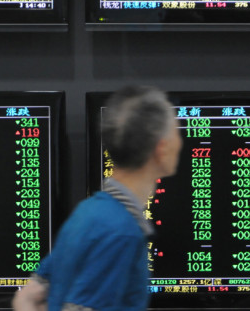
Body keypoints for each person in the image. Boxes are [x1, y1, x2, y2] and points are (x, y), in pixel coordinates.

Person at [13, 86, 182, 311]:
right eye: (176, 132)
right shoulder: (122, 232)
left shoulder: (87, 212)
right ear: (161, 148)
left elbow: (27, 297)